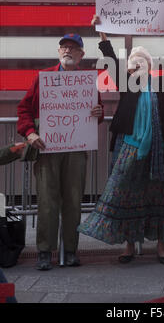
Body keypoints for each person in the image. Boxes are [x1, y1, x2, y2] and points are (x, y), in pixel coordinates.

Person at [78, 17, 164, 264]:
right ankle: (128, 246)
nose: (136, 66)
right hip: (129, 147)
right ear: (128, 69)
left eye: (141, 63)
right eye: (133, 64)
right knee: (125, 194)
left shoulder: (159, 85)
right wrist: (102, 32)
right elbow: (108, 58)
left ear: (149, 67)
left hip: (159, 150)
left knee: (161, 196)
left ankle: (161, 247)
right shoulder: (126, 84)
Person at [17, 34, 104, 271]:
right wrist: (29, 133)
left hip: (76, 150)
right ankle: (45, 251)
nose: (68, 50)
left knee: (74, 201)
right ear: (58, 52)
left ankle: (71, 250)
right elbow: (23, 109)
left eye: (73, 48)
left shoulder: (87, 81)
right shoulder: (42, 78)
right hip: (47, 148)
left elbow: (96, 113)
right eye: (64, 47)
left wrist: (99, 112)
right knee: (47, 201)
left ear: (81, 55)